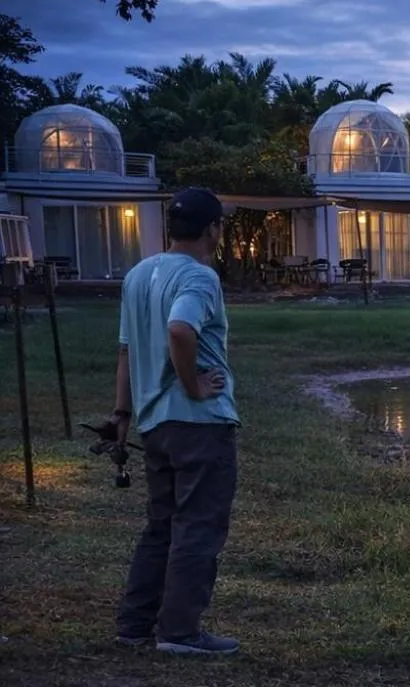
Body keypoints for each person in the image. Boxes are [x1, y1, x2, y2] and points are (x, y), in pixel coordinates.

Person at [113, 186, 241, 656]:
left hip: (155, 425)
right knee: (198, 526)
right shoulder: (200, 277)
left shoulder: (138, 275)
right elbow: (180, 328)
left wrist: (122, 414)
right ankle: (181, 632)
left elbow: (126, 351)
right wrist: (191, 386)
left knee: (160, 525)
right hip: (198, 423)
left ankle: (135, 624)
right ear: (212, 230)